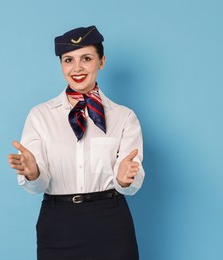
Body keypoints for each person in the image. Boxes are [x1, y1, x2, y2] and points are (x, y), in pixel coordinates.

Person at [8, 25, 145, 260]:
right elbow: (38, 185)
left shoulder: (124, 117)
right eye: (68, 60)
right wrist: (33, 172)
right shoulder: (40, 115)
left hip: (111, 223)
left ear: (101, 62)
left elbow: (133, 178)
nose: (77, 68)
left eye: (87, 58)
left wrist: (124, 179)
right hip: (58, 223)